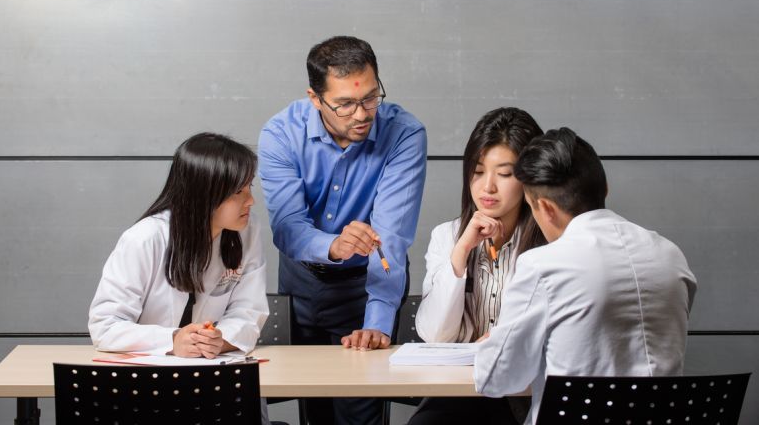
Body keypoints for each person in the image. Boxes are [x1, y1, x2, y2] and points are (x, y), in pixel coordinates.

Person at [474, 127, 697, 425]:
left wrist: (495, 342)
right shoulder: (671, 256)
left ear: (545, 208)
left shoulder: (543, 265)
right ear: (605, 188)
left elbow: (494, 380)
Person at [258, 36, 427, 425]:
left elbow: (392, 238)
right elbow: (287, 229)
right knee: (314, 412)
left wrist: (377, 320)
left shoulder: (404, 134)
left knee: (360, 416)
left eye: (370, 98)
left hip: (366, 285)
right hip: (301, 284)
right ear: (315, 98)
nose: (362, 114)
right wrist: (333, 245)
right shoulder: (280, 134)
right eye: (346, 104)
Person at [408, 107, 545, 425]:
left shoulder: (548, 243)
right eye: (479, 171)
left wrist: (501, 340)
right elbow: (436, 336)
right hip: (459, 391)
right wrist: (462, 251)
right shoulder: (447, 235)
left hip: (523, 393)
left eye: (505, 173)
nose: (488, 187)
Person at [89, 132, 268, 359]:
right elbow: (105, 326)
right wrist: (173, 340)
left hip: (215, 373)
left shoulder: (246, 230)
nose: (251, 200)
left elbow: (248, 312)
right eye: (238, 192)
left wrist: (220, 339)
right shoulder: (146, 238)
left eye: (249, 186)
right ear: (204, 195)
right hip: (147, 377)